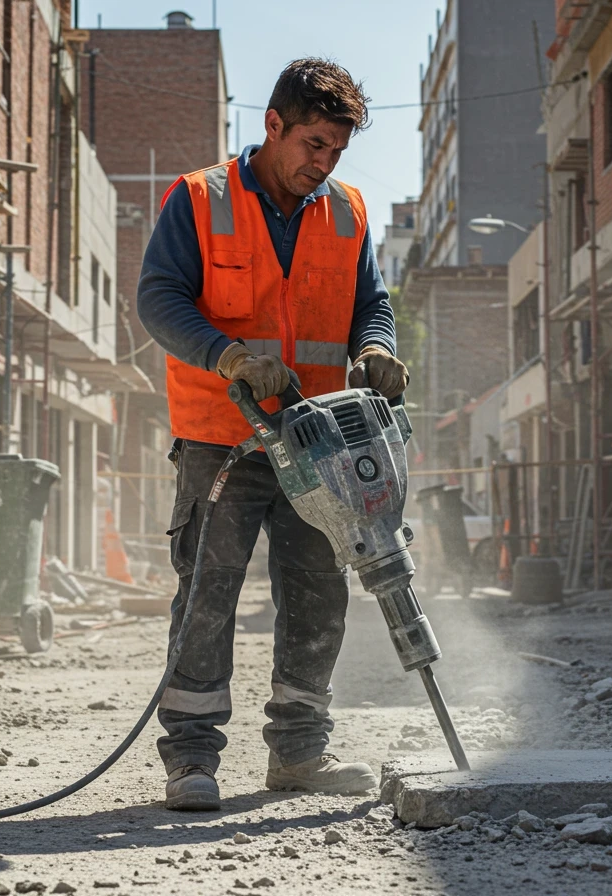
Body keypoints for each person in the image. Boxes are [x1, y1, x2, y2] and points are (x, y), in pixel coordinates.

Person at [136, 58, 410, 811]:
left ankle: (298, 753)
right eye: (313, 145)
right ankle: (191, 759)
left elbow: (370, 305)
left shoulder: (347, 211)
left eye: (335, 152)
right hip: (222, 437)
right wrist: (227, 356)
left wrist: (376, 349)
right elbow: (158, 299)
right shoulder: (200, 199)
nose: (321, 165)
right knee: (209, 594)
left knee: (320, 594)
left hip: (317, 445)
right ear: (273, 127)